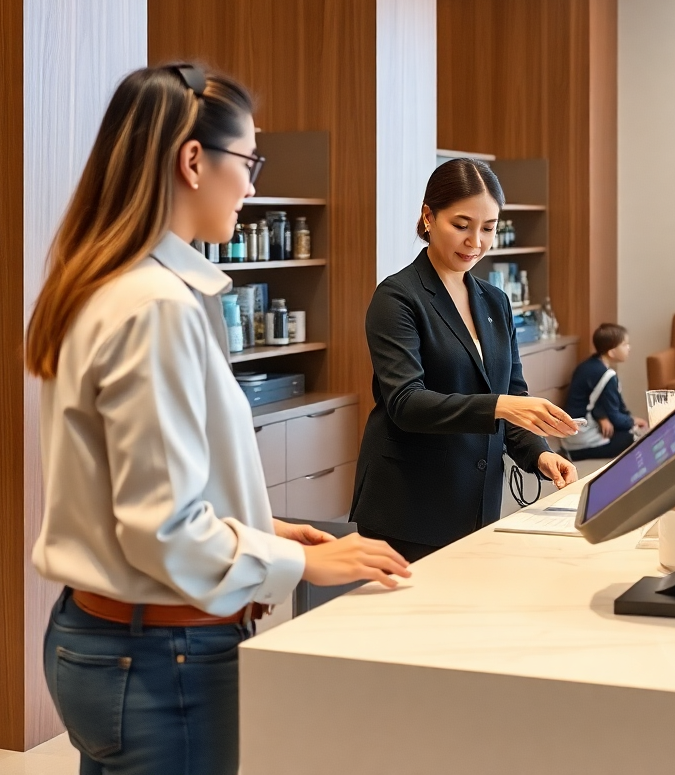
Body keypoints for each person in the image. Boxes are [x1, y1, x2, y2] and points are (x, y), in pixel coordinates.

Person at [26, 65, 409, 775]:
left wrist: (254, 530)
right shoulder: (155, 306)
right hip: (162, 656)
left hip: (108, 639)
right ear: (194, 161)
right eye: (250, 162)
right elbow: (163, 528)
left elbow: (142, 496)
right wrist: (298, 562)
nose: (254, 185)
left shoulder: (112, 285)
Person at [351, 158, 578, 561]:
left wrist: (539, 453)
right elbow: (406, 402)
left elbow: (511, 394)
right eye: (461, 225)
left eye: (488, 228)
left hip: (477, 504)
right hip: (408, 508)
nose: (476, 240)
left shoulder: (495, 301)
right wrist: (502, 406)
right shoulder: (397, 298)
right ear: (428, 217)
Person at [563, 324, 647, 461]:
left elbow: (592, 398)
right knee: (633, 436)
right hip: (581, 434)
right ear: (612, 352)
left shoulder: (587, 365)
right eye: (625, 344)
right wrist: (633, 421)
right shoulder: (607, 375)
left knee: (626, 428)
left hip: (572, 428)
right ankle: (576, 454)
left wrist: (601, 415)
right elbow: (615, 415)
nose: (629, 348)